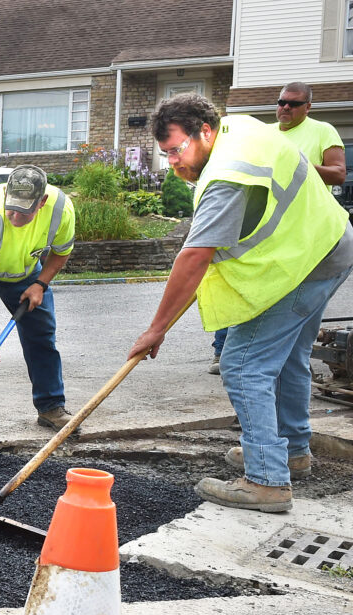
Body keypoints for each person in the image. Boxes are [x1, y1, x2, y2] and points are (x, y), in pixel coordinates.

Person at [130, 93, 353, 512]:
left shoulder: (228, 177)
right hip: (327, 244)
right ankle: (291, 452)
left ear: (205, 132)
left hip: (306, 261)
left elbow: (195, 257)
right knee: (288, 359)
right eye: (165, 155)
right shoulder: (240, 128)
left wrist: (156, 328)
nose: (174, 162)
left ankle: (267, 480)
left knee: (244, 364)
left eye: (177, 150)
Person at [207, 83, 350, 376]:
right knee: (246, 285)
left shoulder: (322, 131)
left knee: (289, 301)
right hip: (268, 229)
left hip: (307, 230)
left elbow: (338, 173)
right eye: (281, 102)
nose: (285, 108)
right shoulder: (266, 134)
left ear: (308, 107)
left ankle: (284, 358)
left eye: (294, 104)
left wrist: (301, 166)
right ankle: (224, 348)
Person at [0, 165, 76, 442]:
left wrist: (40, 283)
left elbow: (61, 252)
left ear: (41, 202)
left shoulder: (60, 209)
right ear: (6, 192)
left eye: (25, 210)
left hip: (26, 272)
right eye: (12, 207)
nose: (15, 216)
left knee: (41, 335)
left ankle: (50, 407)